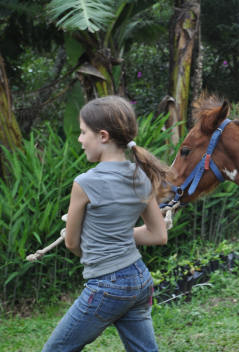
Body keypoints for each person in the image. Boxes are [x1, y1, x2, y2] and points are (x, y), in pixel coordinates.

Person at [43, 96, 169, 352]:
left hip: (108, 286)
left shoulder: (85, 183)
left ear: (102, 136)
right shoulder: (141, 176)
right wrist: (113, 235)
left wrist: (93, 235)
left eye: (82, 132)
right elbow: (158, 235)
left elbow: (72, 243)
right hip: (139, 280)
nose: (79, 139)